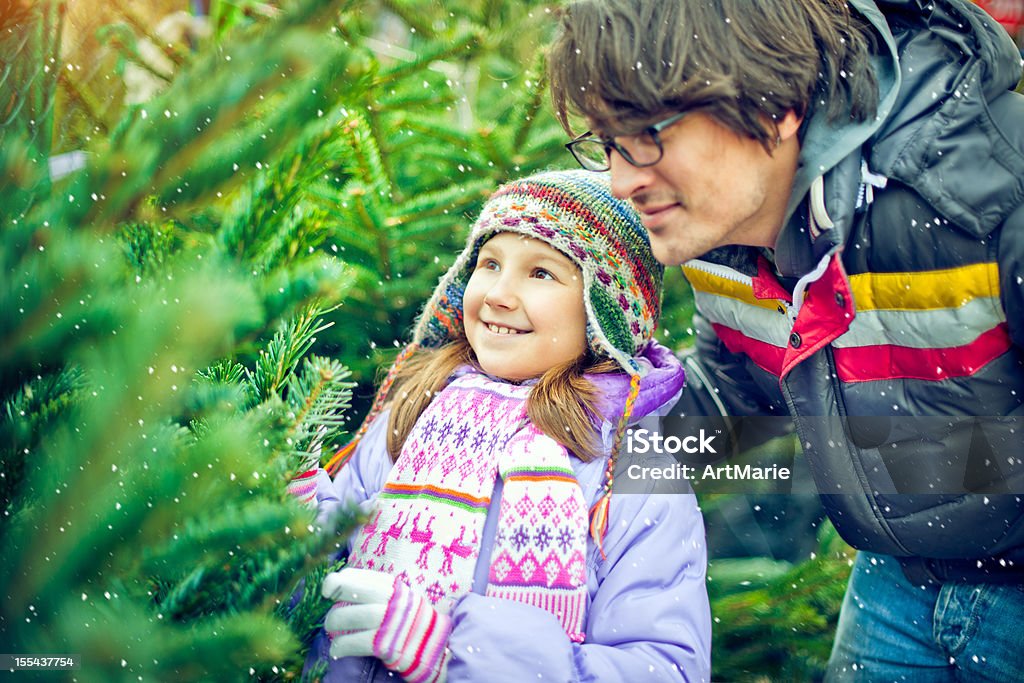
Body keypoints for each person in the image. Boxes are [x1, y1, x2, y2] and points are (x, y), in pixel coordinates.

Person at [546, 0, 1024, 681]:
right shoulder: (723, 236)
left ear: (772, 105)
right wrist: (564, 447)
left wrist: (899, 462)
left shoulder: (987, 194)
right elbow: (733, 399)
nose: (624, 179)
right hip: (897, 583)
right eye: (607, 142)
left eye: (647, 134)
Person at [294, 169, 711, 682]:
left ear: (603, 316)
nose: (498, 294)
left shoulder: (630, 472)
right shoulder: (418, 408)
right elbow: (326, 573)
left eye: (541, 273)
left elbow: (665, 669)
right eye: (489, 264)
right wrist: (296, 512)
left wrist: (453, 653)